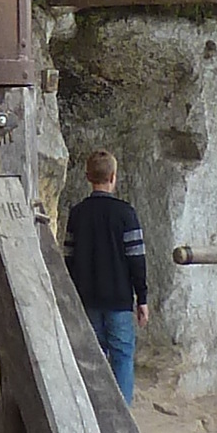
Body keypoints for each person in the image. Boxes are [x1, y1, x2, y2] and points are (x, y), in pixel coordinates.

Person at [64, 148, 149, 407]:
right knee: (122, 357)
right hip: (120, 300)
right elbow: (136, 258)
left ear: (88, 176)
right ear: (113, 176)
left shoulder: (77, 213)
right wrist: (142, 298)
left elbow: (68, 258)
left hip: (87, 299)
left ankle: (95, 411)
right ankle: (121, 415)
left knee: (92, 358)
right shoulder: (125, 213)